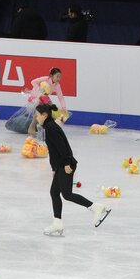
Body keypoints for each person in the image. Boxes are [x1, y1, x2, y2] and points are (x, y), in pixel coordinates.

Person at [37, 101, 111, 236]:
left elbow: (62, 148)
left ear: (44, 115)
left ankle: (96, 207)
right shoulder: (50, 126)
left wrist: (66, 164)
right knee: (54, 193)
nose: (36, 118)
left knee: (67, 194)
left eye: (38, 115)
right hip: (61, 165)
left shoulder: (51, 128)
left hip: (66, 164)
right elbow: (54, 151)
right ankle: (57, 223)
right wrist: (55, 168)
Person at [26, 68, 69, 138]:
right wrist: (39, 90)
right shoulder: (45, 79)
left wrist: (64, 107)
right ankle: (32, 128)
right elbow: (33, 81)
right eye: (57, 76)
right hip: (36, 96)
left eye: (60, 77)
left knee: (53, 109)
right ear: (51, 76)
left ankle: (48, 128)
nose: (59, 79)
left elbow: (60, 97)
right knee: (41, 110)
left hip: (44, 97)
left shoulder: (57, 85)